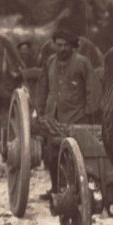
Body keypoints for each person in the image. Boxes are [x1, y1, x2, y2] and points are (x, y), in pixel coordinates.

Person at [35, 29, 96, 201]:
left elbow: (92, 89)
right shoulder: (50, 63)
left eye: (65, 45)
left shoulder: (82, 63)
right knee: (52, 156)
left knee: (75, 156)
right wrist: (40, 110)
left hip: (76, 118)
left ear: (72, 46)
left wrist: (88, 113)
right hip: (52, 118)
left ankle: (77, 190)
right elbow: (43, 88)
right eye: (59, 45)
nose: (61, 49)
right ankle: (56, 188)